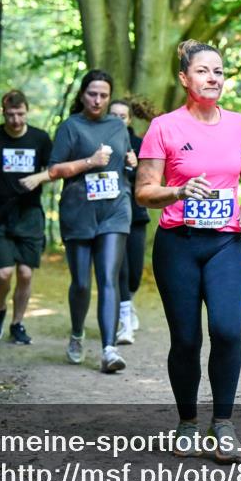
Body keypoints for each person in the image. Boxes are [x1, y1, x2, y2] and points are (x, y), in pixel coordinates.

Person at [136, 40, 241, 463]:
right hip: (179, 244)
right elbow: (143, 192)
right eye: (204, 71)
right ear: (184, 78)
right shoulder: (164, 127)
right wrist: (177, 189)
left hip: (226, 243)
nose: (213, 78)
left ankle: (223, 423)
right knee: (186, 340)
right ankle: (188, 423)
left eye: (219, 72)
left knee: (226, 330)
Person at [46, 70, 137, 373]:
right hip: (79, 211)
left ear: (110, 98)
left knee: (108, 278)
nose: (97, 100)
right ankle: (76, 333)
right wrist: (89, 163)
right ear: (82, 95)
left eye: (103, 95)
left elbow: (125, 162)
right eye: (92, 94)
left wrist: (131, 162)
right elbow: (54, 170)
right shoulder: (70, 127)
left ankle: (109, 350)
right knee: (82, 283)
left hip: (114, 209)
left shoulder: (117, 126)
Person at [0, 89, 53, 345]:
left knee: (25, 273)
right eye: (11, 114)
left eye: (20, 114)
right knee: (4, 273)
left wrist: (39, 177)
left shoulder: (40, 138)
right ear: (3, 113)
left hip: (29, 214)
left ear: (27, 111)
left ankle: (17, 323)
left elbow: (53, 170)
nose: (16, 120)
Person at [109, 99, 156, 346]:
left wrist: (136, 168)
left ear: (129, 119)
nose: (118, 120)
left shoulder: (139, 145)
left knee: (135, 272)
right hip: (109, 216)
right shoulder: (100, 144)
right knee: (121, 268)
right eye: (113, 115)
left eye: (122, 116)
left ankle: (128, 301)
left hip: (136, 215)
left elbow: (150, 180)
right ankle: (124, 319)